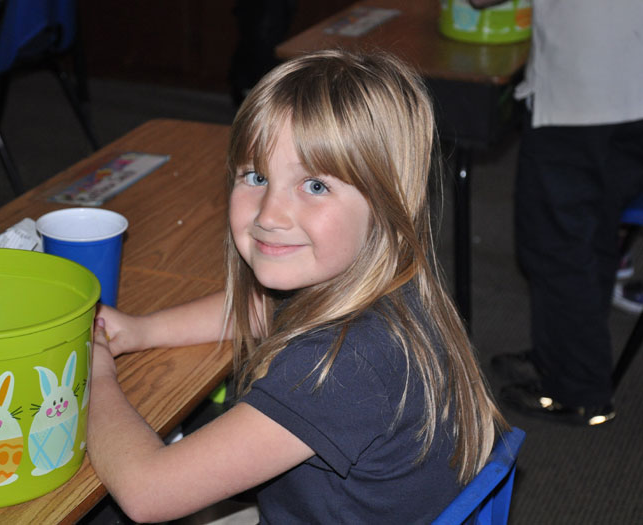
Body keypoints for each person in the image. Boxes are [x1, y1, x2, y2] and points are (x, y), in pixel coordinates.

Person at [88, 49, 508, 523]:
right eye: (256, 176)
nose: (269, 214)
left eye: (315, 186)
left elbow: (148, 492)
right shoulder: (385, 290)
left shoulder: (342, 367)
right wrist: (140, 331)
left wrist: (94, 373)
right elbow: (259, 308)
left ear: (388, 201)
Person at [470, 0, 643, 425]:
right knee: (593, 233)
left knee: (558, 246)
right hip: (630, 88)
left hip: (582, 94)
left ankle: (577, 390)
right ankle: (559, 358)